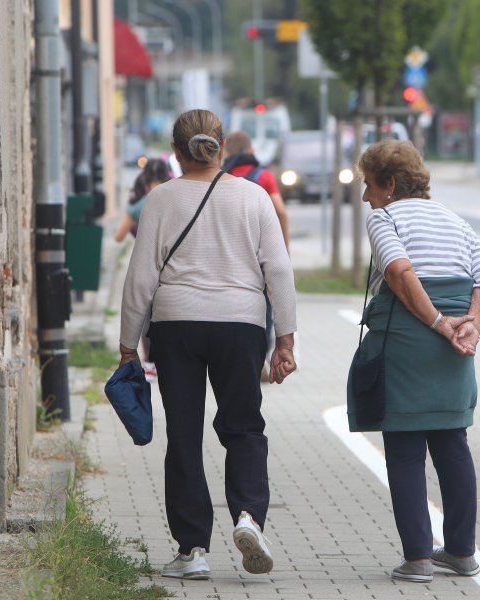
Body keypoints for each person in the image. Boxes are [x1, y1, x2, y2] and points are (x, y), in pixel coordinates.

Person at [119, 109, 298, 579]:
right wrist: (286, 340)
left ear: (176, 153)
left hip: (176, 326)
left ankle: (192, 550)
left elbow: (140, 278)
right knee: (243, 427)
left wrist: (127, 344)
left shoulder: (160, 200)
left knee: (183, 435)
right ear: (221, 148)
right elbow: (278, 271)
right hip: (240, 326)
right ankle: (248, 517)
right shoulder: (254, 197)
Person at [347, 140, 480, 583]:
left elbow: (398, 272)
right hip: (456, 350)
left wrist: (438, 322)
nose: (365, 197)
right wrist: (469, 325)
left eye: (369, 185)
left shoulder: (384, 217)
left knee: (405, 450)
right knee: (453, 445)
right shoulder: (456, 221)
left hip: (408, 340)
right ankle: (460, 551)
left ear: (390, 184)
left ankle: (417, 557)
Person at [223, 130, 290, 380]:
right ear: (251, 151)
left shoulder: (222, 177)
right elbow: (281, 211)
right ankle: (261, 356)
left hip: (232, 255)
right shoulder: (264, 176)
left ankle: (233, 358)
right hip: (262, 252)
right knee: (267, 306)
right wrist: (284, 249)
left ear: (226, 152)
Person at [114, 158, 171, 381]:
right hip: (172, 265)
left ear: (145, 179)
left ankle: (150, 362)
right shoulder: (175, 200)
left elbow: (117, 236)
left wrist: (137, 231)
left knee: (147, 315)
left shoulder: (140, 205)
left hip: (147, 263)